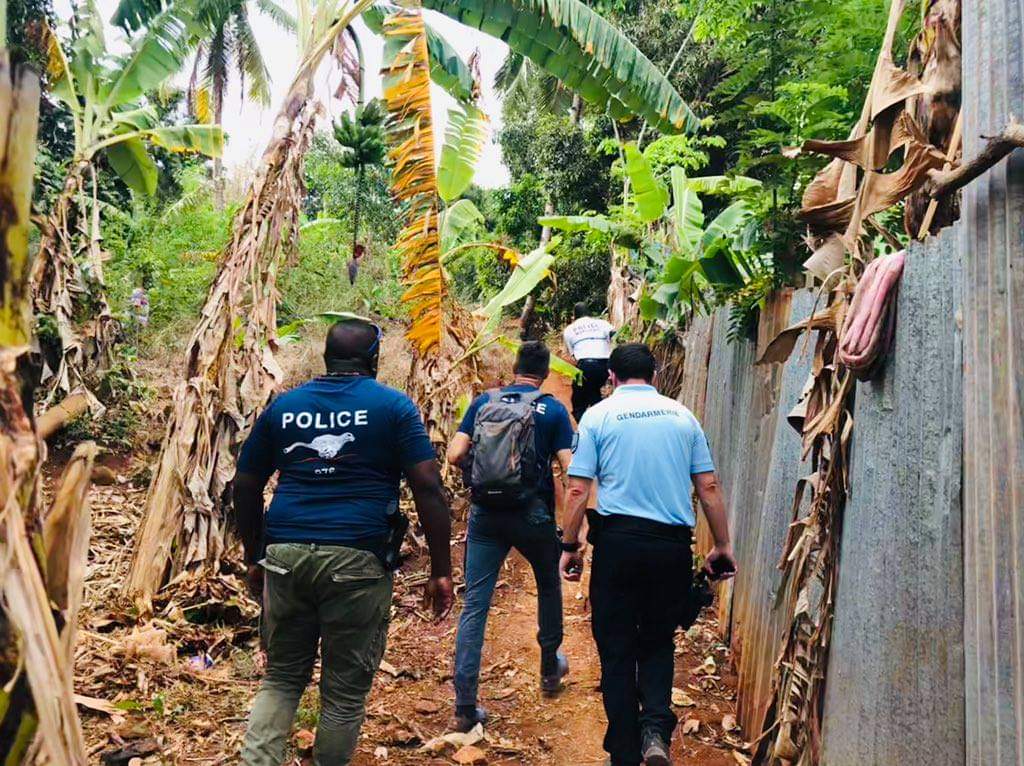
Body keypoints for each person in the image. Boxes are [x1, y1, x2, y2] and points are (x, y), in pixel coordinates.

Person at [233, 318, 454, 766]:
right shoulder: (393, 407)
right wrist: (441, 570)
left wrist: (255, 555)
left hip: (286, 553)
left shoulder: (285, 407)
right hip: (357, 556)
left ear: (326, 357)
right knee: (343, 694)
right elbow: (428, 485)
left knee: (280, 679)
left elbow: (245, 483)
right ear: (373, 359)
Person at [558, 343, 737, 766]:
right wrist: (722, 545)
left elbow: (579, 489)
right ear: (654, 376)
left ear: (612, 379)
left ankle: (622, 750)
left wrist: (570, 545)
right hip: (671, 547)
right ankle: (655, 732)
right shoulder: (683, 416)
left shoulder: (597, 416)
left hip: (618, 545)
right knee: (657, 641)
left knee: (616, 647)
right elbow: (708, 487)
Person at [446, 341, 575, 732]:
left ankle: (465, 705)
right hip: (532, 514)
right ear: (545, 373)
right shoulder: (552, 409)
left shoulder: (485, 401)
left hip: (486, 516)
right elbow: (570, 471)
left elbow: (453, 454)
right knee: (549, 585)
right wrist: (574, 529)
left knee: (475, 606)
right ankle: (550, 668)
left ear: (515, 368)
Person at [563, 302, 615, 423]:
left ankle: (582, 425)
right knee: (594, 392)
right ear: (589, 313)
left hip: (584, 365)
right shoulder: (603, 323)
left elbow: (574, 356)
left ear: (574, 316)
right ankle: (602, 419)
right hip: (605, 366)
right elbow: (615, 336)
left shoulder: (569, 329)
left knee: (578, 399)